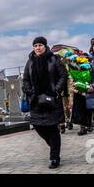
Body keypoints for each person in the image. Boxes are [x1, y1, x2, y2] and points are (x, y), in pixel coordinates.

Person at [22, 37, 67, 169]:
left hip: (51, 99)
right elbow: (25, 79)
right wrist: (29, 91)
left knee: (52, 128)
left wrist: (55, 90)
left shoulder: (54, 59)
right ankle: (54, 147)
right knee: (38, 126)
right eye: (35, 45)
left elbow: (62, 76)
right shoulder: (30, 61)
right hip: (36, 100)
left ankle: (54, 157)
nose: (37, 47)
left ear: (45, 46)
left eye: (40, 45)